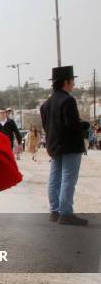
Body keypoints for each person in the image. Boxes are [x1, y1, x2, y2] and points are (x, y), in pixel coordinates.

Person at [40, 66, 90, 226]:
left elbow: (46, 126)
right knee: (68, 178)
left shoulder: (46, 104)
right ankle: (66, 213)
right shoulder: (68, 100)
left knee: (54, 178)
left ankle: (55, 211)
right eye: (72, 81)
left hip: (54, 146)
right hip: (70, 147)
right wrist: (85, 125)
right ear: (66, 82)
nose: (74, 84)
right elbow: (72, 125)